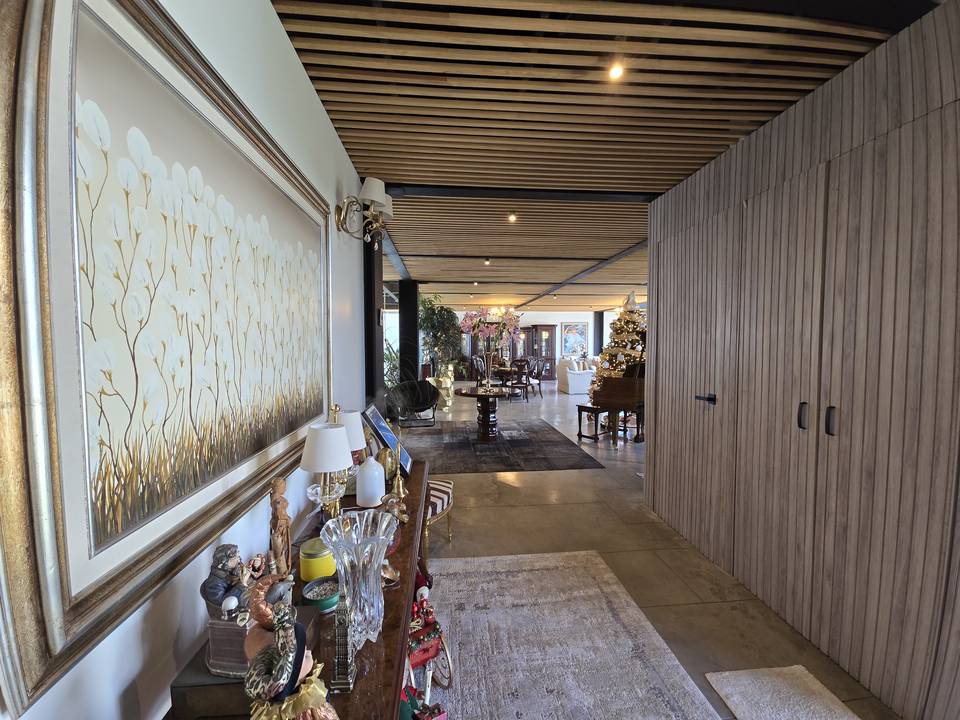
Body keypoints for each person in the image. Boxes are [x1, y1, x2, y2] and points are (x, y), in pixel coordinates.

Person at [200, 543, 252, 616]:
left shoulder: (229, 573)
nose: (239, 560)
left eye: (238, 556)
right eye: (235, 558)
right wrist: (242, 584)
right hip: (226, 616)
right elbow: (225, 604)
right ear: (224, 562)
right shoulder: (214, 583)